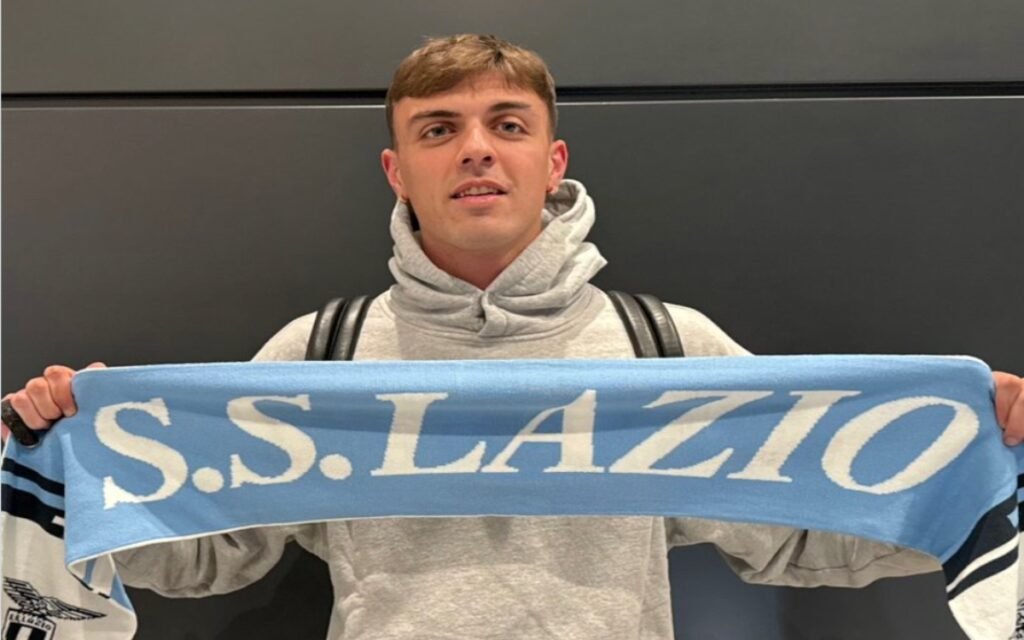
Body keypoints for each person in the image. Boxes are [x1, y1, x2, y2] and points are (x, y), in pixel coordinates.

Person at [3, 34, 1023, 639]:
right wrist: (68, 467)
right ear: (398, 169)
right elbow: (212, 554)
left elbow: (801, 534)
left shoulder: (664, 346)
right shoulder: (320, 352)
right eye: (438, 129)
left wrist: (982, 463)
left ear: (552, 159)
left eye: (507, 123)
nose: (476, 150)